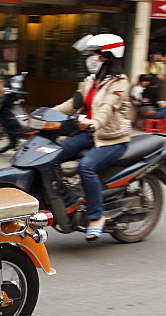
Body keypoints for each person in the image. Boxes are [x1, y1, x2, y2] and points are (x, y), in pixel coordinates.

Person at [53, 34, 132, 241]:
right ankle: (67, 199)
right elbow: (73, 103)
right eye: (90, 54)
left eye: (95, 54)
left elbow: (107, 108)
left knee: (86, 167)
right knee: (52, 154)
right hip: (89, 135)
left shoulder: (120, 83)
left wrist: (95, 121)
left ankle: (96, 216)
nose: (91, 58)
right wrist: (45, 114)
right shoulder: (90, 82)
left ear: (108, 56)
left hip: (112, 138)